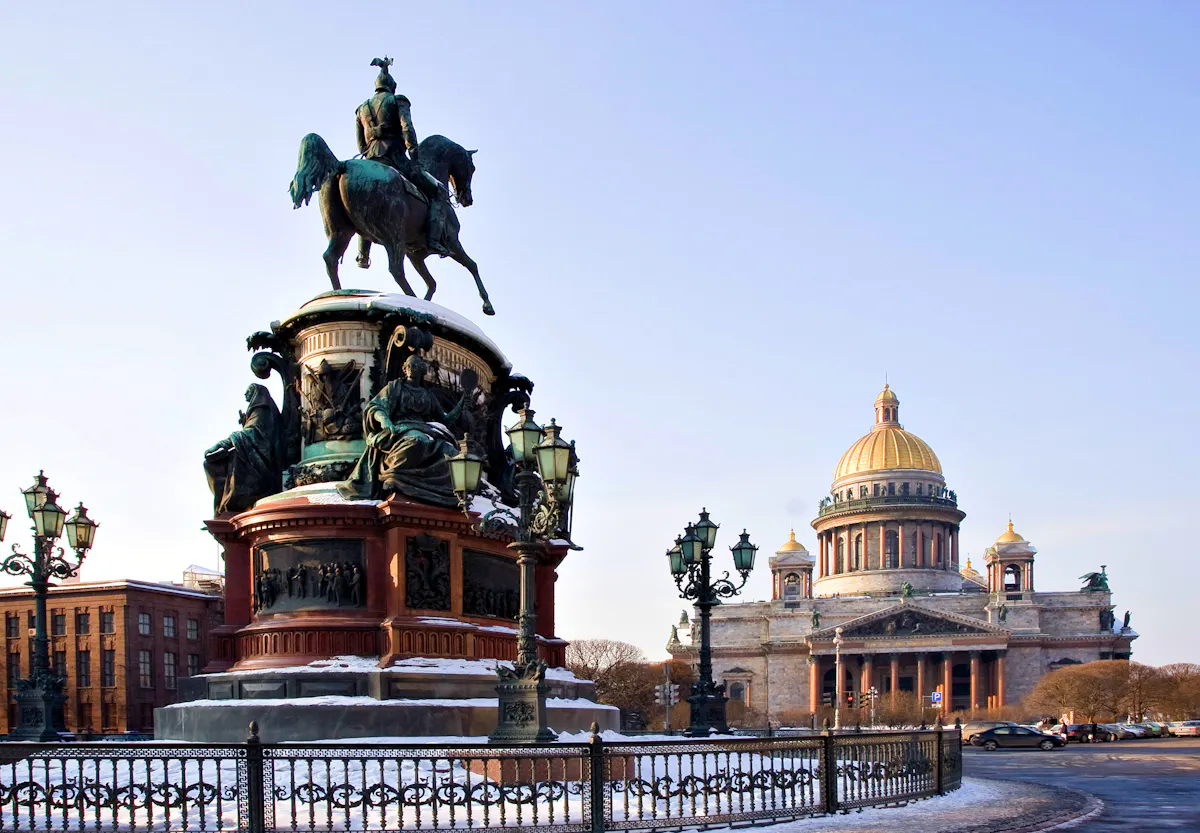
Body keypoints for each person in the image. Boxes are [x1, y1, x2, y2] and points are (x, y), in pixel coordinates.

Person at [354, 57, 450, 267]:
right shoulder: (398, 101)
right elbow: (407, 128)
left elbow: (360, 145)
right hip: (395, 158)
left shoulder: (361, 109)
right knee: (439, 191)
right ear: (392, 86)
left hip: (371, 158)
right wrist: (413, 154)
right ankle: (434, 241)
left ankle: (363, 254)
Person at [338, 353, 466, 506]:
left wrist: (462, 404)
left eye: (416, 366)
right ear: (405, 369)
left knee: (452, 454)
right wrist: (384, 419)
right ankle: (395, 476)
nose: (412, 368)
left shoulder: (428, 394)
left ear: (422, 370)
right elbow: (375, 407)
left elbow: (445, 419)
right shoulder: (394, 388)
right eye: (409, 365)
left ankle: (445, 492)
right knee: (417, 441)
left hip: (426, 429)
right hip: (400, 428)